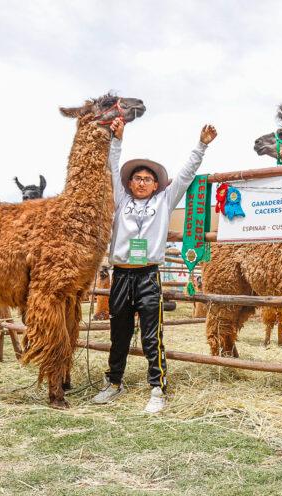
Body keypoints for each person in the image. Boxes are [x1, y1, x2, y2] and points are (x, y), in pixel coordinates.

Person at [92, 118, 217, 413]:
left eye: (147, 179)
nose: (141, 182)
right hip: (121, 275)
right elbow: (112, 166)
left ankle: (157, 387)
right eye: (137, 178)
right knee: (118, 332)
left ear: (157, 184)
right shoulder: (121, 200)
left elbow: (186, 176)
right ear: (129, 182)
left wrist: (201, 145)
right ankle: (114, 382)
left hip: (148, 275)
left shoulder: (164, 201)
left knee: (152, 333)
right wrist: (117, 139)